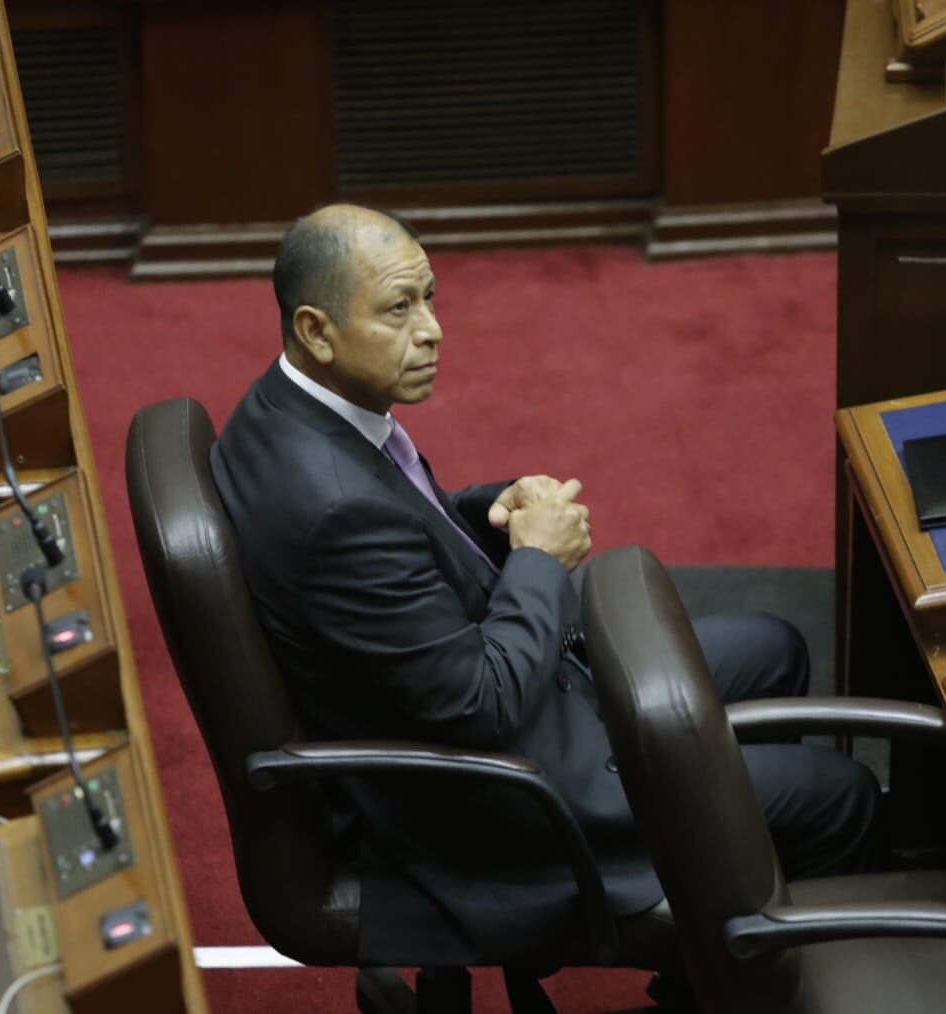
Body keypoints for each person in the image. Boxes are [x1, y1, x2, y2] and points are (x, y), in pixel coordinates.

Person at [209, 203, 881, 968]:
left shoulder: (285, 408)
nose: (431, 329)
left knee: (774, 648)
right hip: (505, 792)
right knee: (840, 793)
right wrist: (537, 560)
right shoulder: (332, 510)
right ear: (315, 330)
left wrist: (483, 511)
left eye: (429, 297)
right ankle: (773, 980)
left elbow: (397, 519)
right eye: (398, 309)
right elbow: (481, 704)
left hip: (488, 682)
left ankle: (718, 928)